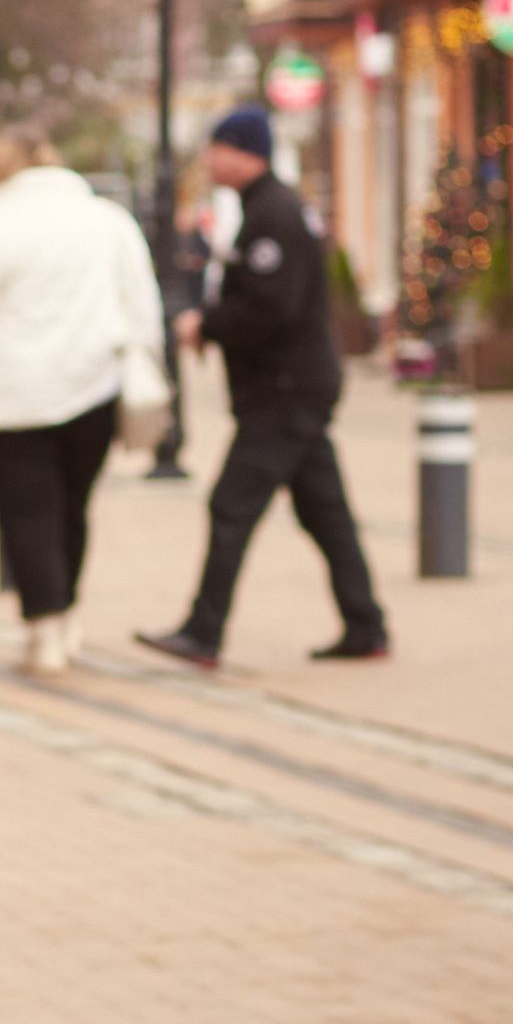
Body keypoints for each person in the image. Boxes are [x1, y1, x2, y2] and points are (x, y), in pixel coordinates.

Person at [0, 127, 168, 676]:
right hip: (92, 387)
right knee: (73, 507)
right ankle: (66, 618)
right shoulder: (108, 224)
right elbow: (142, 308)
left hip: (6, 398)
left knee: (25, 512)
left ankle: (43, 627)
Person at [135, 105, 390, 670]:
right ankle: (364, 624)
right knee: (324, 512)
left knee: (231, 504)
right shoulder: (265, 209)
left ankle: (204, 632)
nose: (208, 159)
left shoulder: (274, 213)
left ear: (244, 152)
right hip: (292, 386)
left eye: (217, 148)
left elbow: (272, 308)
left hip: (285, 389)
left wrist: (208, 324)